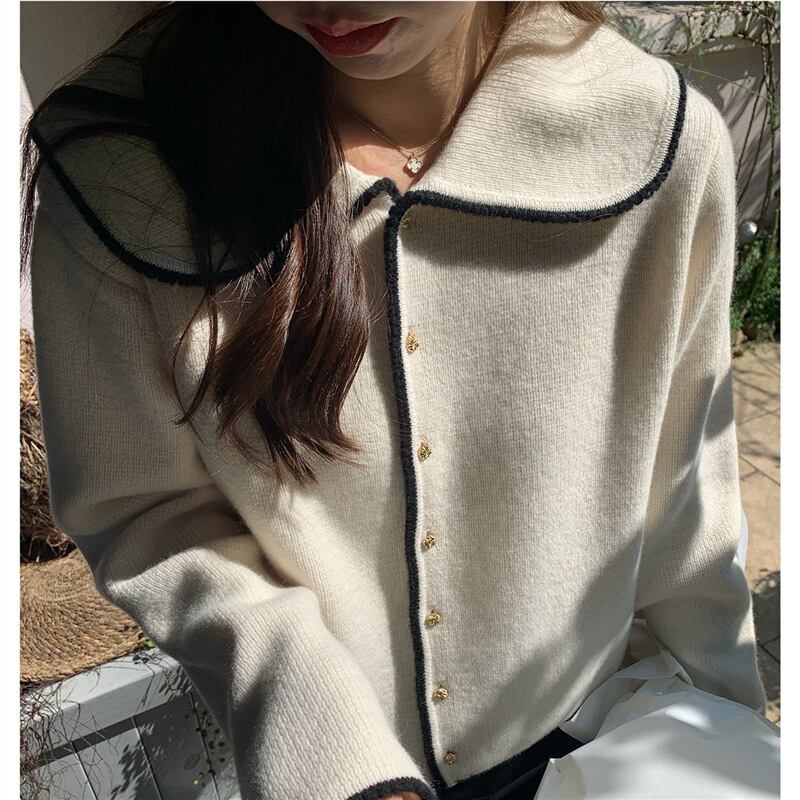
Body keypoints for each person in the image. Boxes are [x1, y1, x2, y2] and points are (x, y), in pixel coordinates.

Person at [21, 2, 767, 799]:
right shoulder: (123, 169)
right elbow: (149, 512)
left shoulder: (659, 142)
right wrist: (329, 750)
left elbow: (686, 499)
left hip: (601, 741)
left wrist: (732, 732)